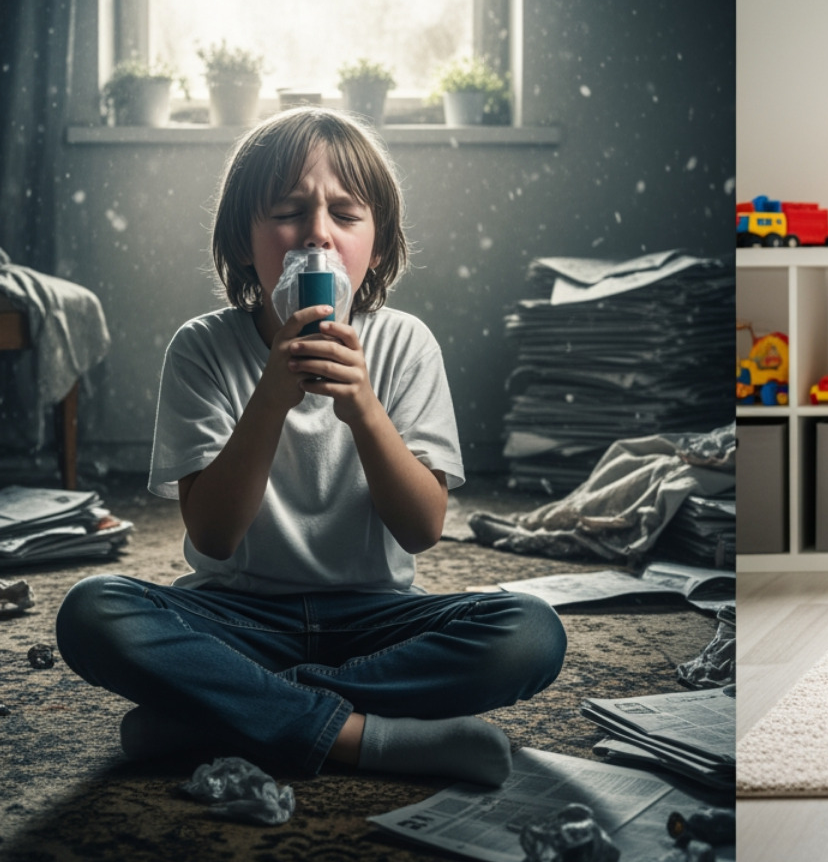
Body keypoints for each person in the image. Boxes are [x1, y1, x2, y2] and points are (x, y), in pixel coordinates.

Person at [56, 107, 565, 783]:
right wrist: (272, 395)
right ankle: (361, 737)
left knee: (529, 632)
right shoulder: (202, 349)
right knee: (92, 612)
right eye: (290, 212)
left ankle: (221, 715)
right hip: (236, 618)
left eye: (345, 215)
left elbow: (422, 530)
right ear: (245, 239)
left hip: (375, 618)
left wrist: (362, 409)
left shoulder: (405, 344)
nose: (318, 235)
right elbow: (212, 536)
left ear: (378, 247)